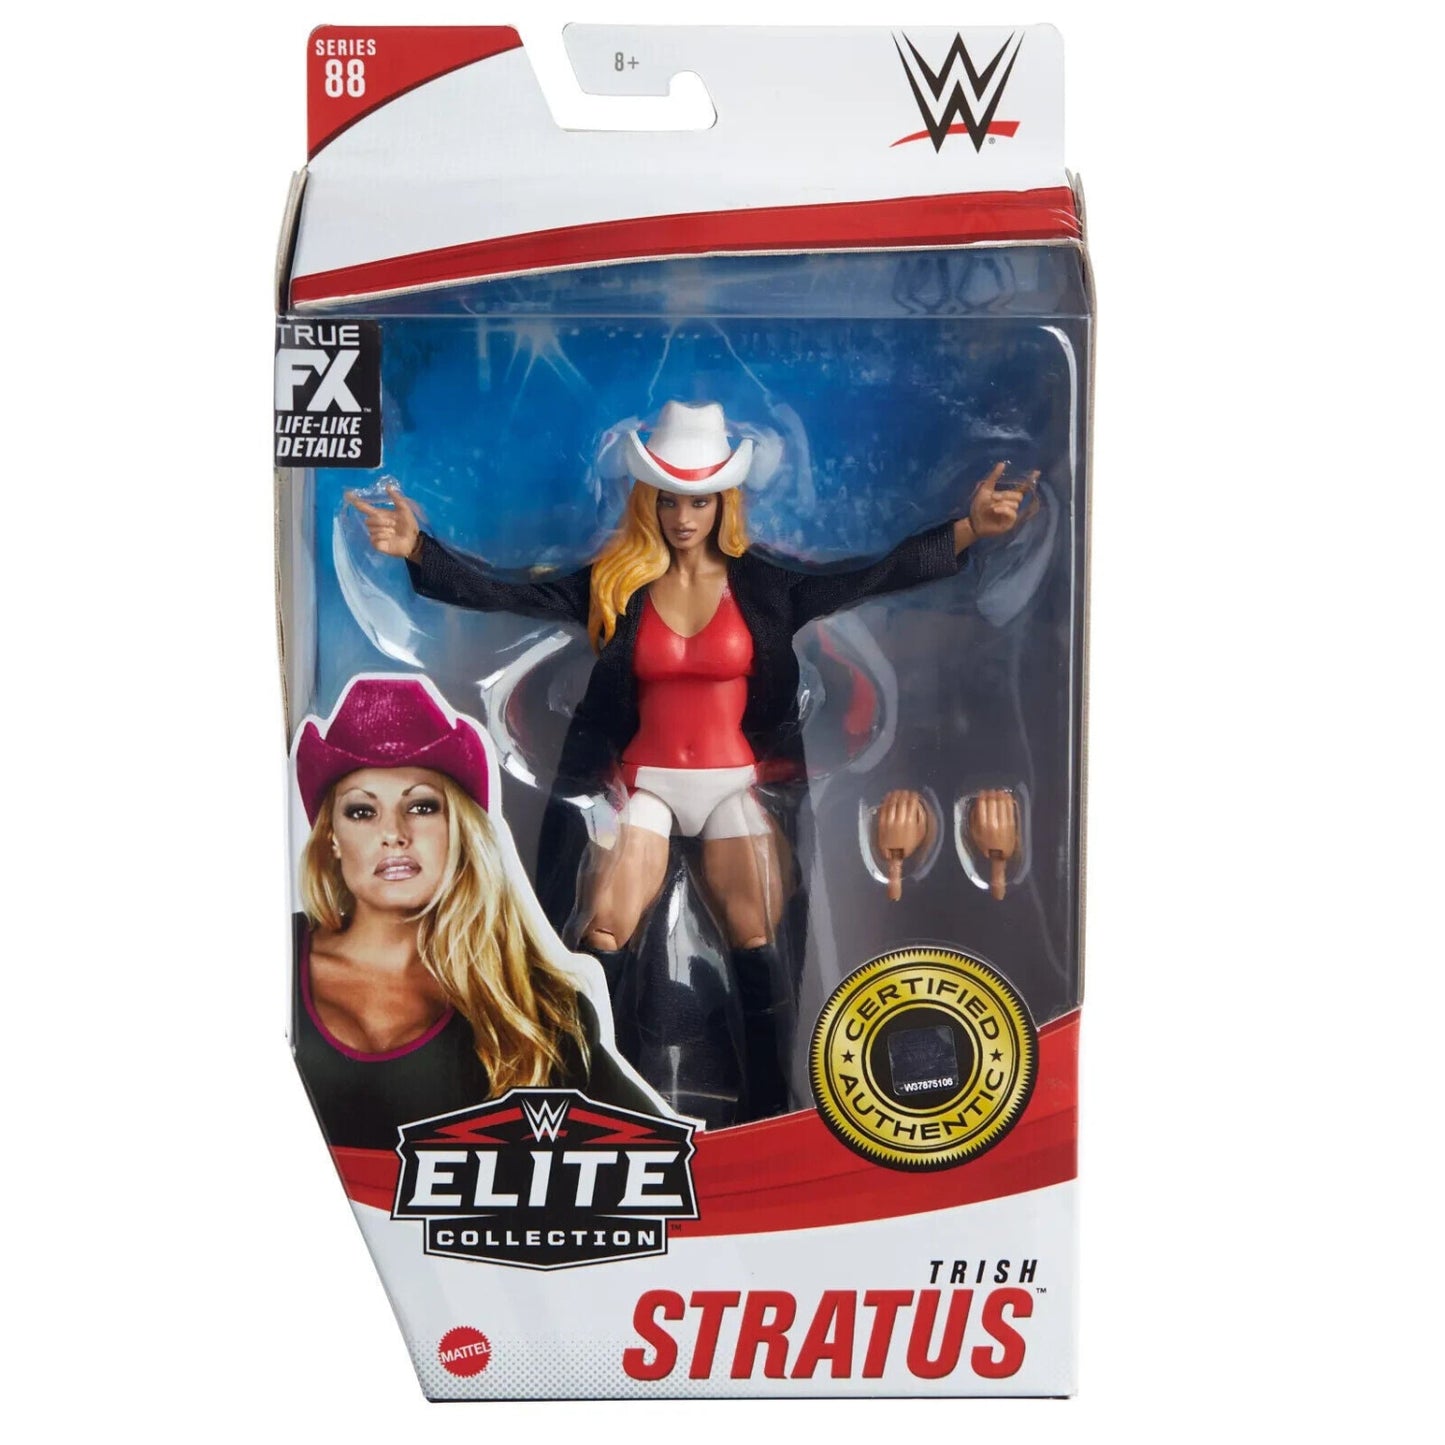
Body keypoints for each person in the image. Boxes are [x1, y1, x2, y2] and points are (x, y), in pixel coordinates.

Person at [348, 400, 1032, 1121]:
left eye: (698, 501)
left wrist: (966, 530)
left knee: (759, 943)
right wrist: (418, 550)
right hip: (644, 786)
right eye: (669, 500)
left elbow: (868, 576)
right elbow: (510, 591)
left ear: (722, 504)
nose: (682, 517)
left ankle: (771, 1108)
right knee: (603, 933)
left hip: (733, 785)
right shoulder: (616, 583)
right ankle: (594, 1086)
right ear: (648, 501)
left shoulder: (766, 588)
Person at [292, 676, 656, 1149]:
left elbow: (678, 1158)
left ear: (458, 828)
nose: (394, 834)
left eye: (422, 806)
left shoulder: (536, 1009)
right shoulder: (271, 962)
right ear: (332, 838)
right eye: (362, 811)